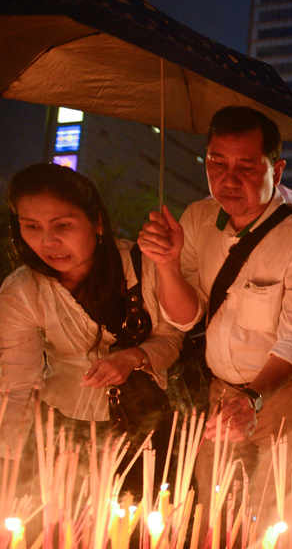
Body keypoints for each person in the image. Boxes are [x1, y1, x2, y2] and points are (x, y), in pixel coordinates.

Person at [137, 106, 292, 537]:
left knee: (281, 516)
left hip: (283, 394)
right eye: (216, 163)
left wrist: (252, 399)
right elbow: (188, 318)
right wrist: (167, 264)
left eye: (246, 166)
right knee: (215, 511)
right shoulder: (195, 219)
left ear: (276, 170)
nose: (229, 179)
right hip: (221, 390)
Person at [0, 163, 181, 488]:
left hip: (147, 426)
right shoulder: (23, 291)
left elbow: (171, 337)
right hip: (66, 432)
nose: (48, 241)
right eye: (31, 226)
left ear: (97, 221)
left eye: (63, 225)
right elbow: (19, 383)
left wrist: (133, 357)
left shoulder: (142, 264)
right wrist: (7, 456)